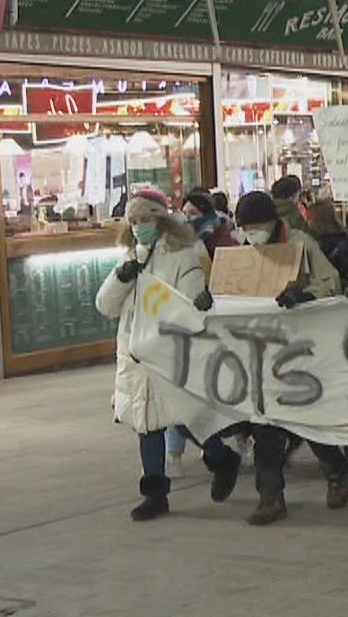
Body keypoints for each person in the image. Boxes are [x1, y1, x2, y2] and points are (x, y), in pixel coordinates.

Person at [94, 188, 240, 522]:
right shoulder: (130, 257)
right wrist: (121, 277)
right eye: (133, 221)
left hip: (169, 352)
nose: (139, 226)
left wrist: (197, 300)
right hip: (135, 353)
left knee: (183, 417)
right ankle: (155, 494)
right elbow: (106, 305)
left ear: (160, 220)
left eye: (145, 219)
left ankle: (221, 459)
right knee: (147, 425)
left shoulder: (182, 253)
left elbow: (189, 301)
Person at [229, 192, 348, 526]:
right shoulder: (240, 253)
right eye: (246, 227)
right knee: (263, 426)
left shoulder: (301, 245)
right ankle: (270, 497)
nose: (251, 233)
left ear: (273, 223)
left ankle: (337, 469)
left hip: (299, 350)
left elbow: (331, 283)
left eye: (257, 226)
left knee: (306, 419)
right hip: (258, 351)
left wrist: (305, 295)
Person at [182, 188, 236, 256]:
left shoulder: (221, 240)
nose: (187, 218)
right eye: (184, 213)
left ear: (207, 215)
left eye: (193, 213)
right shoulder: (183, 241)